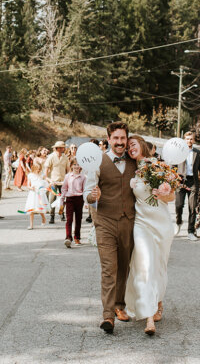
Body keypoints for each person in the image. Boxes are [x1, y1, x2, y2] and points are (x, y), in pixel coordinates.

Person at [83, 121, 137, 334]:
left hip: (128, 221)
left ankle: (119, 305)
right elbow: (87, 192)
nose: (120, 142)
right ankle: (107, 316)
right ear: (108, 140)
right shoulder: (98, 162)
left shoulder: (134, 161)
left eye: (123, 138)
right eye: (116, 138)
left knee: (124, 266)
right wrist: (92, 196)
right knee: (109, 268)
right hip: (105, 221)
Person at [123, 134, 175, 336]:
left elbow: (171, 196)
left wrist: (163, 192)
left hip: (161, 225)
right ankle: (149, 317)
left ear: (142, 145)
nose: (129, 148)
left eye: (132, 144)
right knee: (145, 265)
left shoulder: (157, 166)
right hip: (142, 224)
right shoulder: (130, 170)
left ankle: (158, 302)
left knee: (159, 266)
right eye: (128, 147)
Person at [175, 131, 200, 241]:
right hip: (180, 181)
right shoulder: (178, 152)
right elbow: (173, 166)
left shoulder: (198, 153)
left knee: (192, 207)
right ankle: (178, 221)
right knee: (179, 206)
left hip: (193, 182)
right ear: (184, 140)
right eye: (187, 139)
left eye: (191, 139)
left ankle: (190, 231)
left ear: (194, 140)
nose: (189, 141)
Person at [61, 158, 85, 247]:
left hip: (79, 198)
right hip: (69, 199)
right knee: (69, 219)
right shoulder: (67, 176)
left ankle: (77, 238)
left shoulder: (83, 177)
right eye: (74, 164)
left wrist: (86, 203)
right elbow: (64, 188)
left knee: (78, 219)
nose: (76, 166)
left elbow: (85, 190)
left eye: (78, 164)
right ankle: (68, 238)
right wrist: (62, 200)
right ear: (71, 166)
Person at [45, 141, 70, 224]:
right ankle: (52, 216)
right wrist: (48, 179)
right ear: (57, 148)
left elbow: (68, 170)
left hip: (62, 181)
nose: (63, 149)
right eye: (62, 147)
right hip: (53, 181)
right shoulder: (51, 157)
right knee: (52, 199)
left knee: (63, 198)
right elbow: (46, 170)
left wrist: (68, 179)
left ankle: (61, 213)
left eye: (63, 147)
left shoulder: (65, 157)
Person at [24, 161, 49, 229]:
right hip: (33, 193)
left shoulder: (42, 175)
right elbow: (28, 185)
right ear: (34, 168)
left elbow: (46, 182)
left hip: (40, 194)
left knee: (40, 207)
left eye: (39, 168)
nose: (38, 170)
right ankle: (31, 225)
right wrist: (30, 187)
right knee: (31, 209)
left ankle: (43, 218)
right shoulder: (30, 175)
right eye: (37, 168)